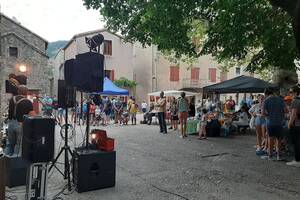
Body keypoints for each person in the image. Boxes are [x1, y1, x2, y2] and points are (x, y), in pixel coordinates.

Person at [5, 85, 35, 156]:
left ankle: (5, 161)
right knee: (18, 145)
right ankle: (14, 163)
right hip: (20, 124)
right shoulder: (28, 102)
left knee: (10, 144)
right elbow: (32, 115)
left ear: (18, 91)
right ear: (26, 92)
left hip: (11, 123)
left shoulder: (12, 99)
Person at [262, 88, 287, 161]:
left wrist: (269, 114)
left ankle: (270, 156)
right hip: (279, 123)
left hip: (270, 122)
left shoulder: (266, 101)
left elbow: (263, 113)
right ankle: (279, 156)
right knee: (279, 140)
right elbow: (286, 110)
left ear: (266, 94)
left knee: (270, 139)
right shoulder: (281, 100)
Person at [287, 85, 300, 167]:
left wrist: (289, 124)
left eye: (291, 92)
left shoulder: (295, 101)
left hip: (296, 125)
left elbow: (294, 114)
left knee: (296, 143)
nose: (290, 94)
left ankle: (297, 160)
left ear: (295, 92)